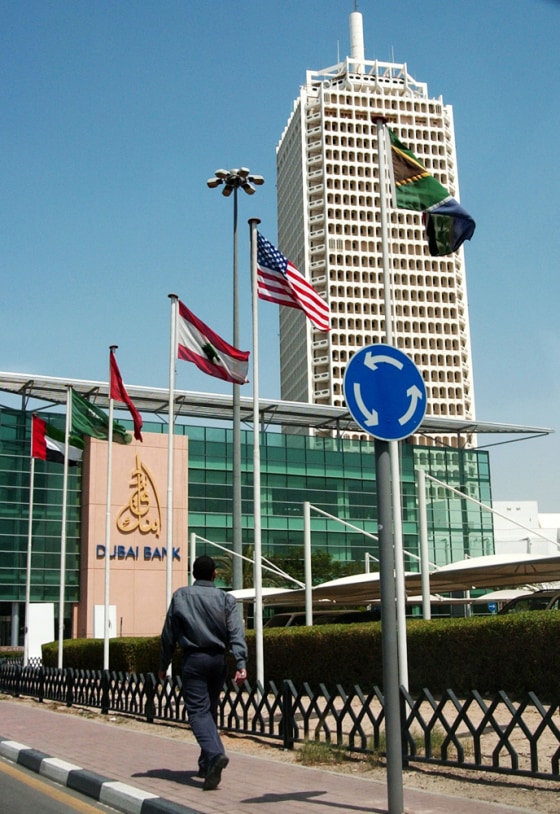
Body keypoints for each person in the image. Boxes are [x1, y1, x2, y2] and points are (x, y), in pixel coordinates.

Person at [158, 555, 248, 791]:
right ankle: (206, 764)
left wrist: (163, 665)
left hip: (194, 660)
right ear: (215, 574)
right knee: (209, 710)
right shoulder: (226, 599)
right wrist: (241, 663)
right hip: (218, 661)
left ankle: (215, 754)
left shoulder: (181, 596)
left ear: (193, 574)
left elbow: (168, 635)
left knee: (198, 711)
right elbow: (236, 632)